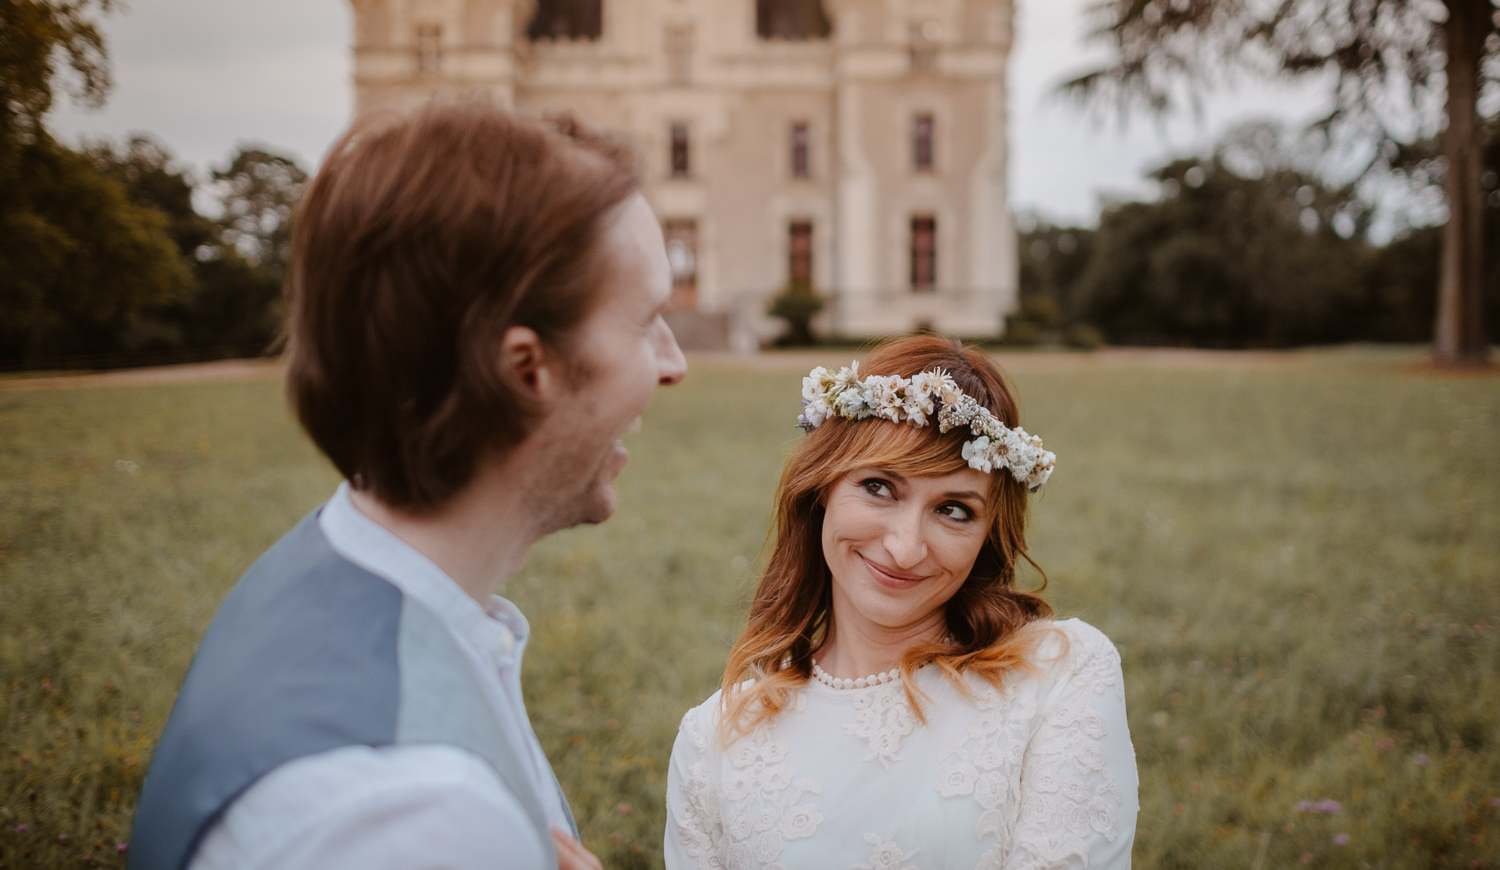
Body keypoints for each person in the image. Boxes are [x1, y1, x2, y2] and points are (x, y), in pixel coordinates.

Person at [129, 97, 686, 870]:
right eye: (644, 321)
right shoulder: (411, 814)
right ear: (528, 368)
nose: (673, 364)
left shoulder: (332, 565)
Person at [664, 334, 1138, 869]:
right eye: (879, 487)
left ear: (988, 534)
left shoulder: (1058, 675)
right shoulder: (713, 741)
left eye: (954, 510)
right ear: (823, 485)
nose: (905, 548)